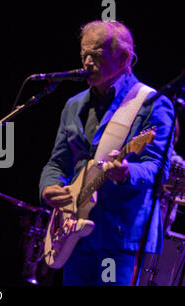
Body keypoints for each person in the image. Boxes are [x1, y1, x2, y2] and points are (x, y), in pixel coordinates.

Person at [39, 20, 175, 286]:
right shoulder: (73, 105)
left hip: (119, 238)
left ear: (125, 57)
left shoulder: (152, 104)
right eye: (84, 55)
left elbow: (158, 167)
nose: (87, 62)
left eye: (96, 55)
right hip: (74, 232)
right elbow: (57, 162)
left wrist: (127, 173)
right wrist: (48, 187)